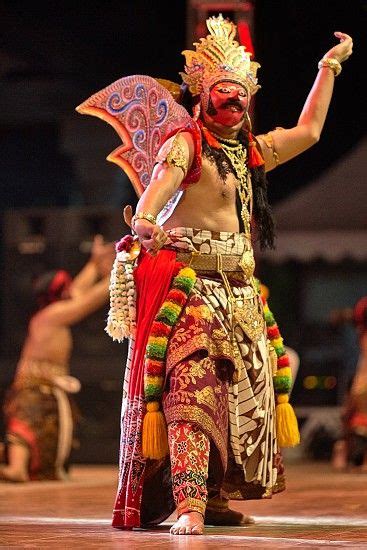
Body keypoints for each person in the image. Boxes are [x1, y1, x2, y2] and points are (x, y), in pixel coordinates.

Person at [76, 15, 353, 535]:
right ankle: (189, 505)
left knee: (240, 398)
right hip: (192, 289)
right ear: (204, 97)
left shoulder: (250, 151)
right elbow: (155, 194)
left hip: (241, 293)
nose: (235, 101)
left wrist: (327, 70)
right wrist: (145, 223)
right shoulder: (185, 144)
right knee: (191, 393)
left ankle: (219, 499)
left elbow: (310, 131)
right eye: (225, 92)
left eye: (242, 93)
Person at [0, 235, 115, 482]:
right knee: (25, 423)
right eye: (66, 289)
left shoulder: (54, 310)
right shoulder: (53, 315)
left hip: (46, 389)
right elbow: (87, 300)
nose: (72, 290)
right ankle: (16, 469)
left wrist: (94, 264)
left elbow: (78, 291)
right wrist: (118, 271)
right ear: (59, 294)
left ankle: (16, 465)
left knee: (37, 428)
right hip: (34, 388)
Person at [331, 297, 367, 471]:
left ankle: (344, 452)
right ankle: (343, 451)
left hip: (359, 378)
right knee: (350, 416)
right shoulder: (362, 333)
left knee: (351, 416)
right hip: (359, 378)